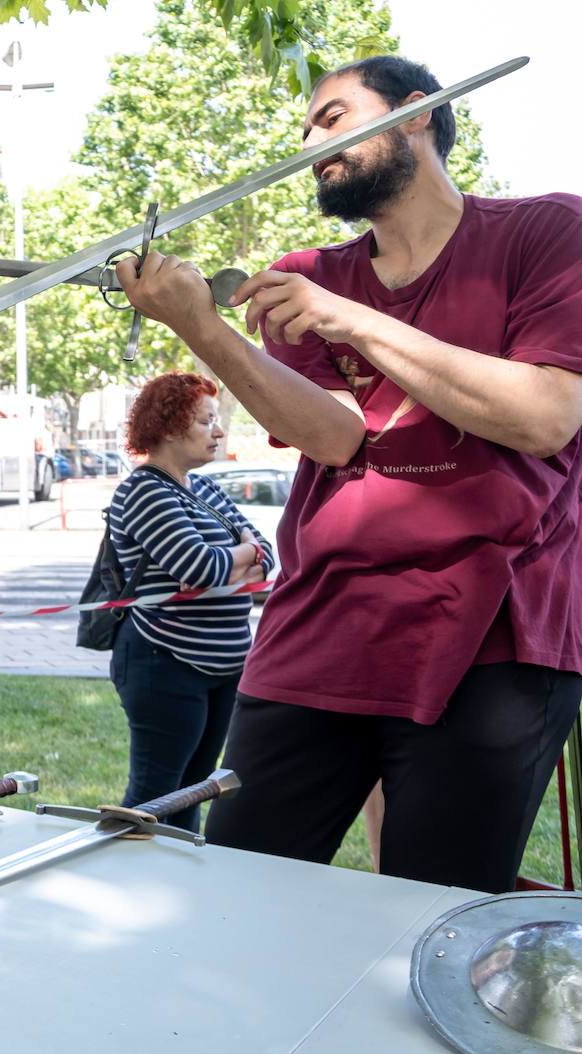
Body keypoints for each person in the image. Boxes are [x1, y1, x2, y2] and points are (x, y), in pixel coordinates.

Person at [116, 55, 582, 893]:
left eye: (332, 118)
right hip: (321, 628)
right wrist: (202, 328)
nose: (311, 144)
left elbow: (543, 416)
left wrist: (352, 321)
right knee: (243, 896)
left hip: (493, 636)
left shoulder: (545, 234)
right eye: (306, 129)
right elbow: (335, 438)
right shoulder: (311, 278)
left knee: (428, 913)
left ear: (415, 113)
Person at [107, 372, 272, 832]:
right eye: (206, 420)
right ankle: (132, 886)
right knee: (155, 794)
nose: (219, 431)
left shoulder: (204, 490)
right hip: (166, 663)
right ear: (170, 426)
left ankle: (176, 892)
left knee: (193, 789)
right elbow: (199, 568)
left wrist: (238, 557)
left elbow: (268, 558)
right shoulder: (144, 490)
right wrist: (242, 554)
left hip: (222, 668)